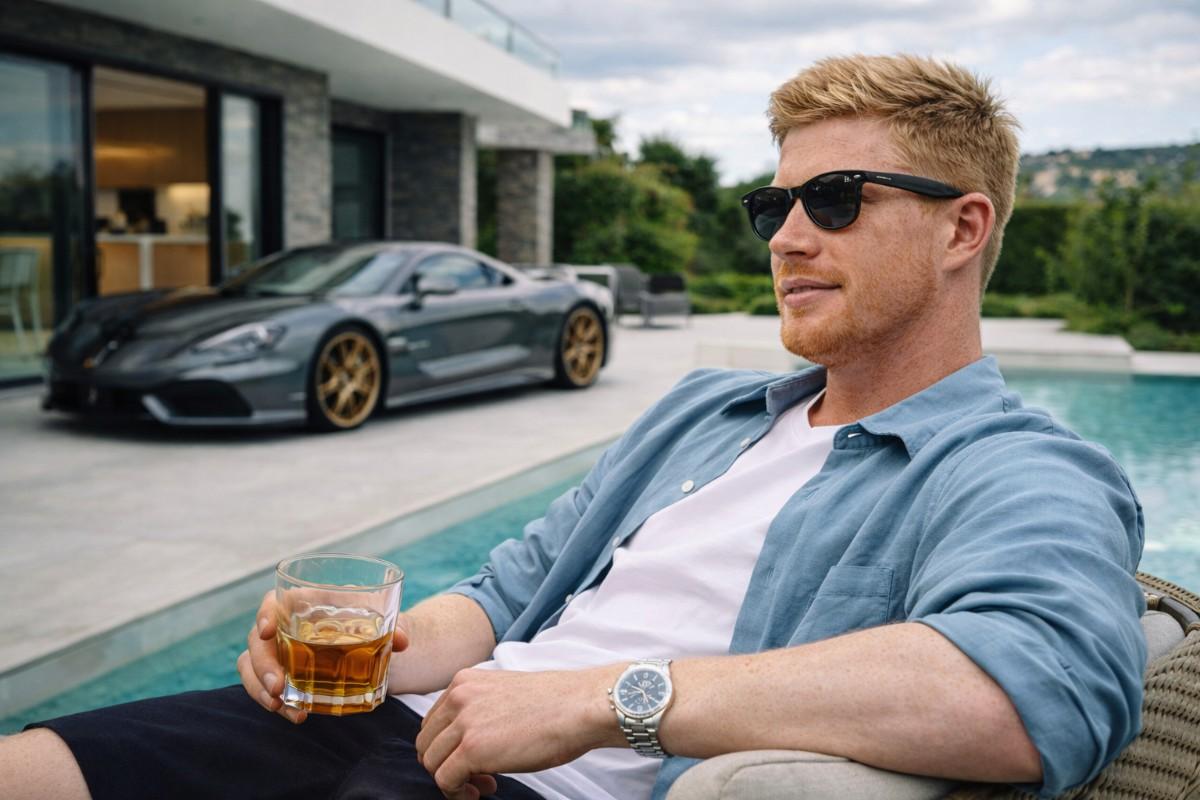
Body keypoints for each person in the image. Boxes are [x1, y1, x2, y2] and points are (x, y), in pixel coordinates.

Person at [1, 54, 1145, 800]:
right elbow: (508, 590)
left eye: (834, 199)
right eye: (773, 204)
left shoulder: (1019, 468)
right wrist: (369, 646)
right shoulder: (704, 411)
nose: (787, 237)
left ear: (964, 230)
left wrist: (610, 697)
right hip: (393, 725)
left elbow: (1033, 683)